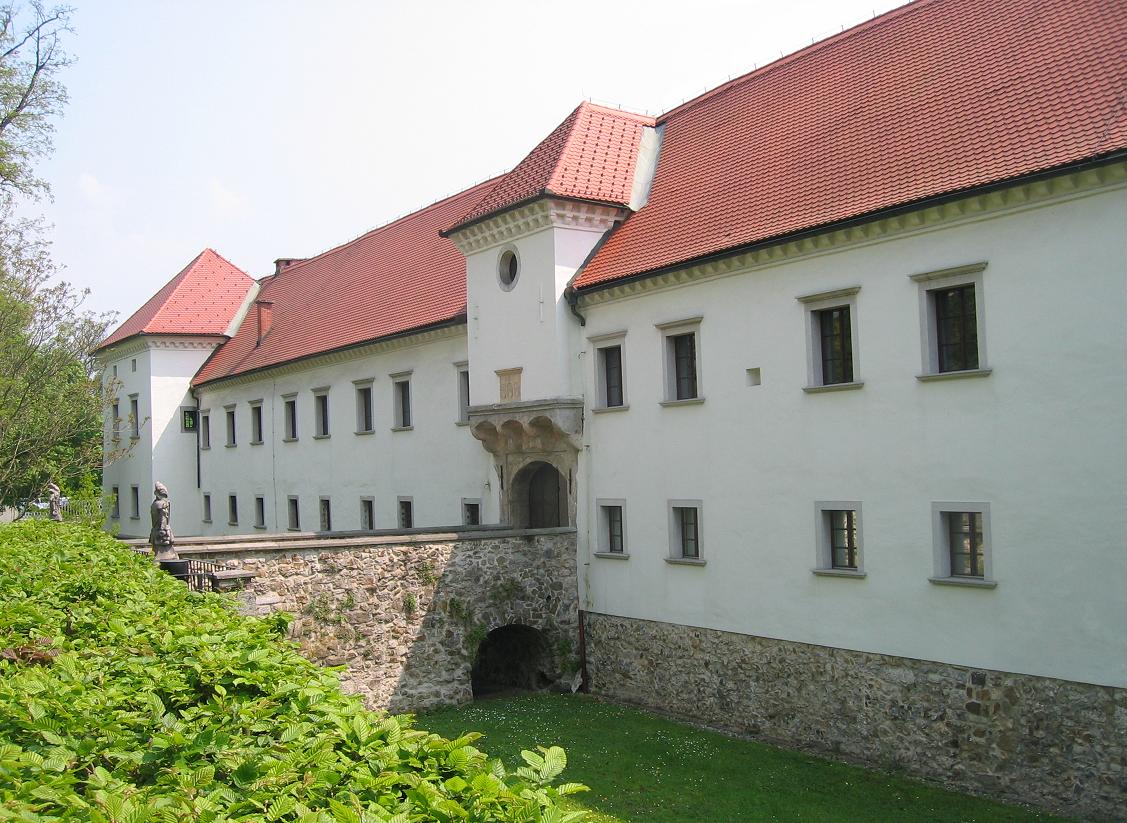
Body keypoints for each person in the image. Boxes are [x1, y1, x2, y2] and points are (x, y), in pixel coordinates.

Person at [149, 482, 177, 561]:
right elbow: (163, 518)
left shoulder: (155, 503)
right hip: (161, 530)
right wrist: (162, 529)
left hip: (157, 529)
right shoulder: (162, 504)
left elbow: (163, 518)